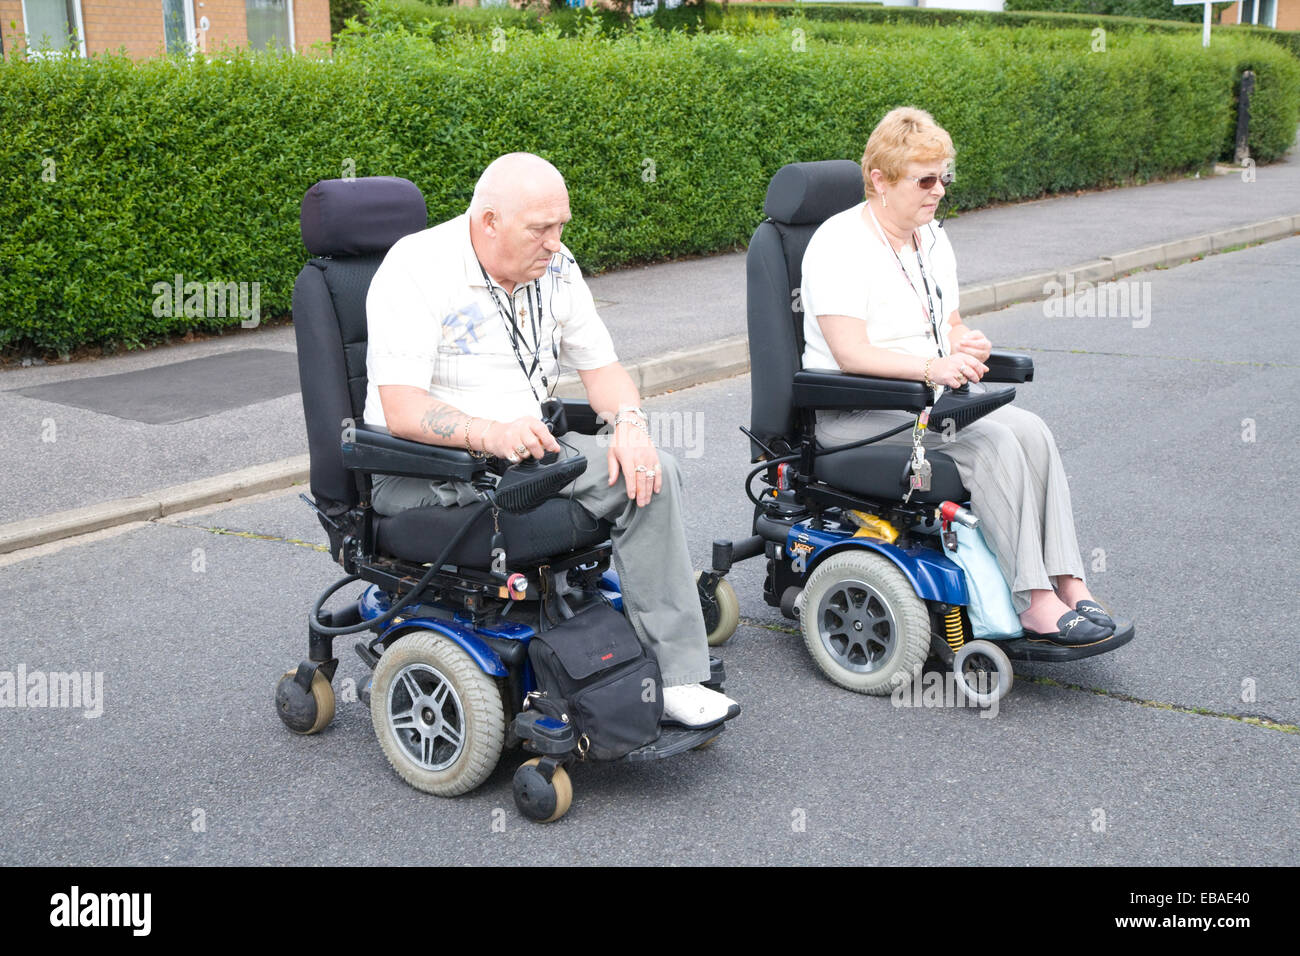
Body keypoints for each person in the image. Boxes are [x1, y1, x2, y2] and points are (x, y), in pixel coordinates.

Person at [362, 152, 740, 726]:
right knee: (598, 477)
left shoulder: (557, 267)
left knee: (649, 473)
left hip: (528, 453)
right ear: (488, 222)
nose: (555, 242)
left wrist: (630, 427)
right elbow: (403, 409)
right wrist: (489, 433)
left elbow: (605, 371)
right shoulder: (415, 268)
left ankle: (676, 678)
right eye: (540, 228)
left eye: (561, 224)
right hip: (428, 467)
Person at [799, 107, 1117, 645]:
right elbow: (850, 353)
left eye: (944, 176)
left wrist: (962, 340)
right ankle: (1033, 600)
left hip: (923, 402)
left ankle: (1069, 581)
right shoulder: (839, 244)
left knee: (1032, 431)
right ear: (879, 179)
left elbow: (945, 322)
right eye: (924, 179)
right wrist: (931, 366)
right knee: (992, 442)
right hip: (856, 412)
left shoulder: (931, 240)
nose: (938, 189)